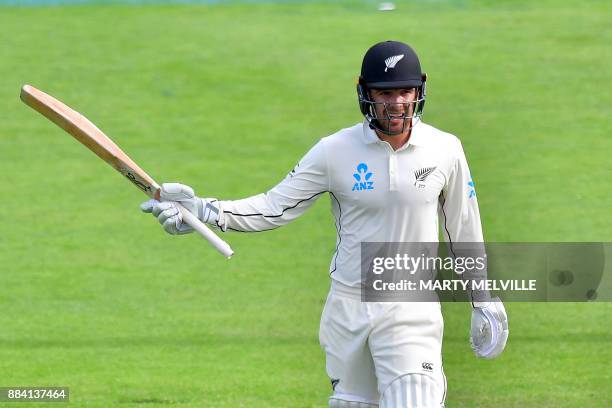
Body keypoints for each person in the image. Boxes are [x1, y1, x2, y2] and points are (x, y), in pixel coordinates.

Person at [141, 40, 508, 407]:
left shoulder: (445, 149)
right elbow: (274, 206)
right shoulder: (335, 151)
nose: (395, 103)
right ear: (364, 93)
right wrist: (204, 211)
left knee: (413, 399)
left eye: (404, 91)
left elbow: (464, 229)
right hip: (347, 311)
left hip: (410, 308)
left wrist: (483, 297)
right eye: (384, 93)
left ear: (419, 90)